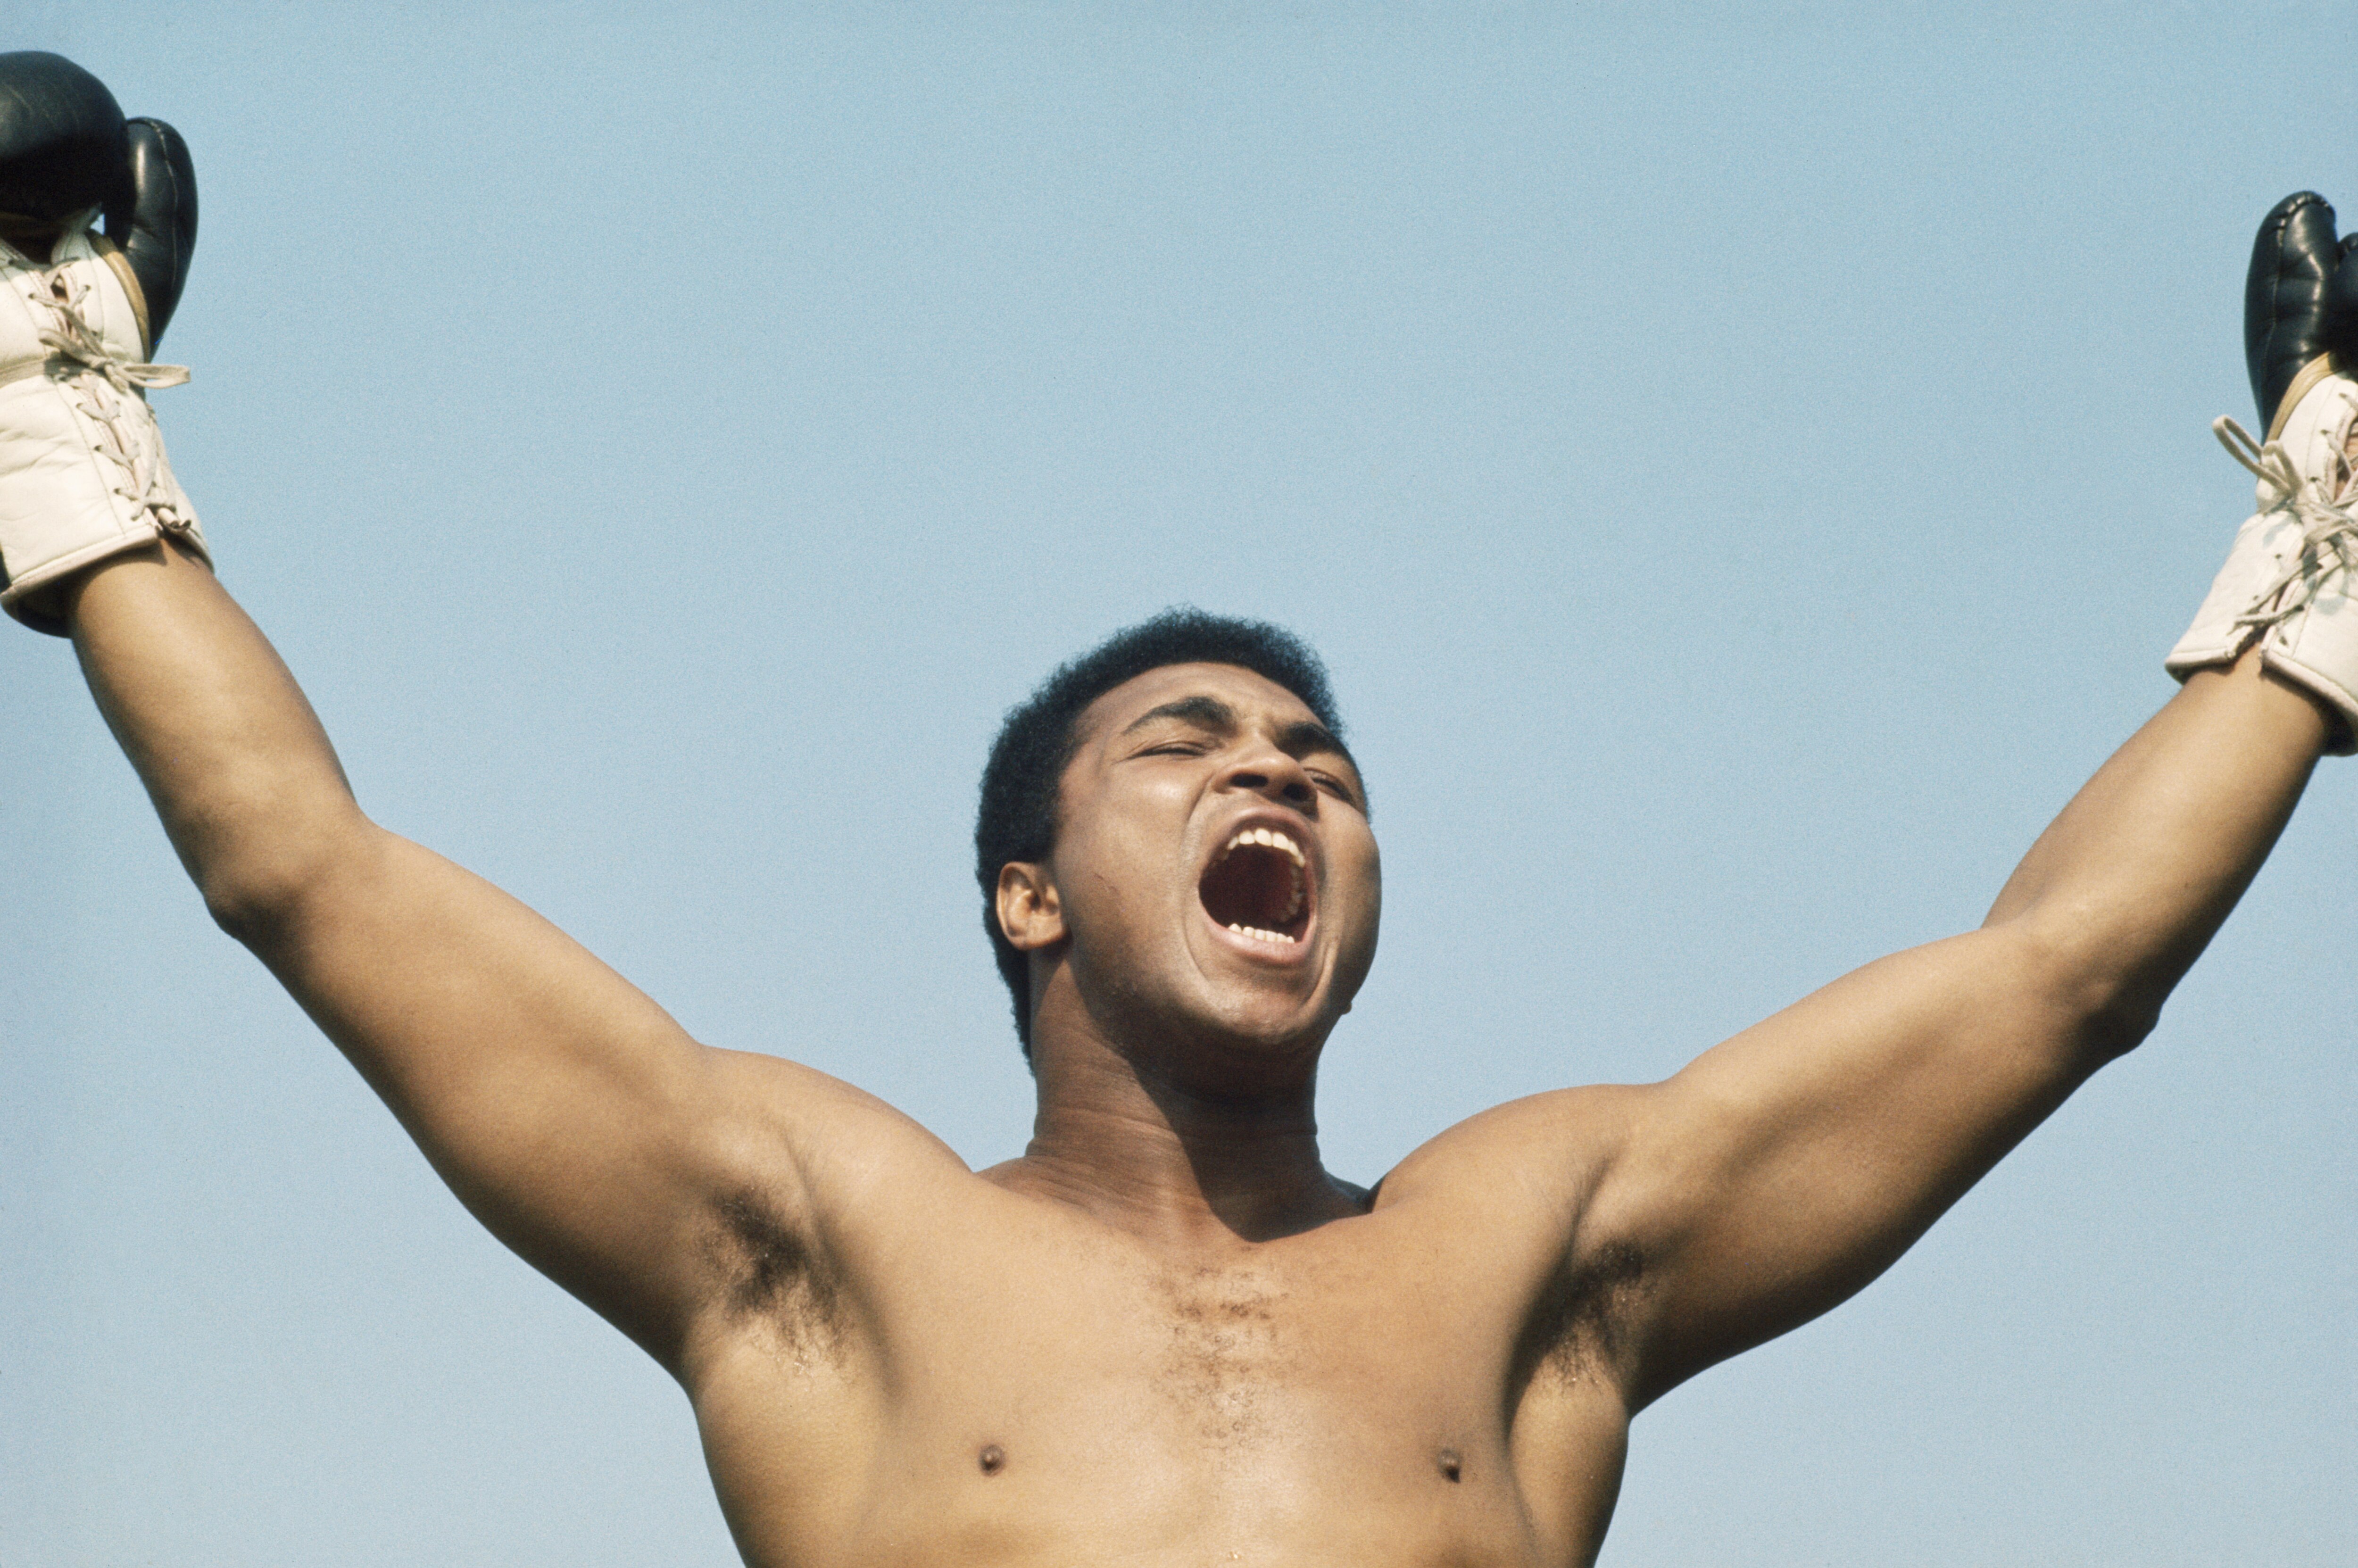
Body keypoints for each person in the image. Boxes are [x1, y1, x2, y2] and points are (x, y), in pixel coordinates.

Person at [5, 53, 2353, 1568]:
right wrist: (64, 428)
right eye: (1191, 744)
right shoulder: (824, 1237)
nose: (1281, 775)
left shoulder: (1536, 1242)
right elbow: (305, 870)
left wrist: (2313, 564)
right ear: (1025, 889)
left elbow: (2057, 975)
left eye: (1322, 766)